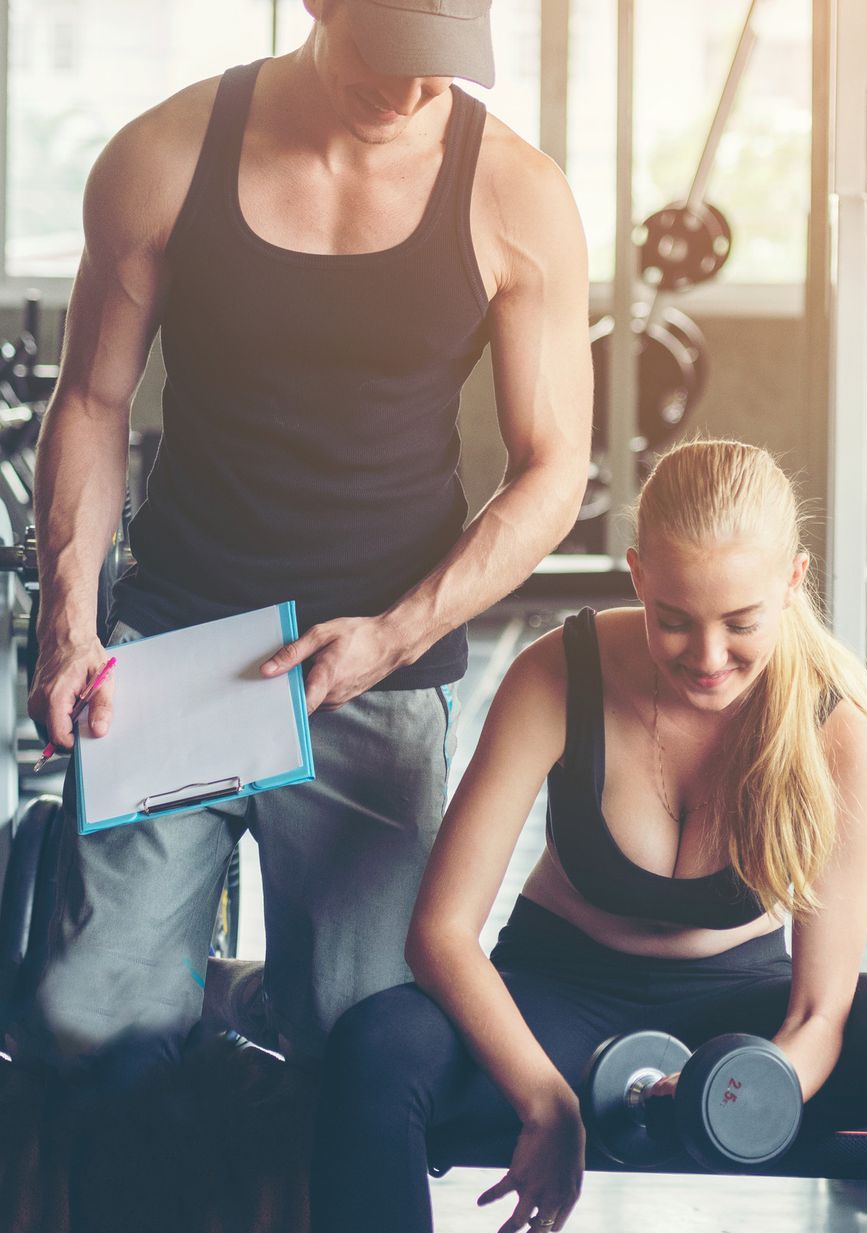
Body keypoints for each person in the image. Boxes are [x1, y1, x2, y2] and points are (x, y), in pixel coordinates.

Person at [16, 0, 591, 1067]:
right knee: (82, 1023)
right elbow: (92, 402)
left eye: (442, 68)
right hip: (182, 643)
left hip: (379, 669)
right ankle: (202, 1003)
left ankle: (261, 1008)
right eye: (392, 57)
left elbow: (554, 468)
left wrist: (395, 634)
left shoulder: (518, 193)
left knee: (368, 1044)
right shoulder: (166, 154)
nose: (415, 93)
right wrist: (69, 623)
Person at [312, 441, 867, 1233]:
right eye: (677, 618)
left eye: (742, 622)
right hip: (553, 1000)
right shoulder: (558, 675)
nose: (708, 655)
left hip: (746, 1012)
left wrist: (753, 1090)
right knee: (373, 1048)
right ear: (639, 576)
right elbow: (440, 932)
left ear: (793, 582)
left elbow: (818, 1012)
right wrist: (545, 1100)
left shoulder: (839, 729)